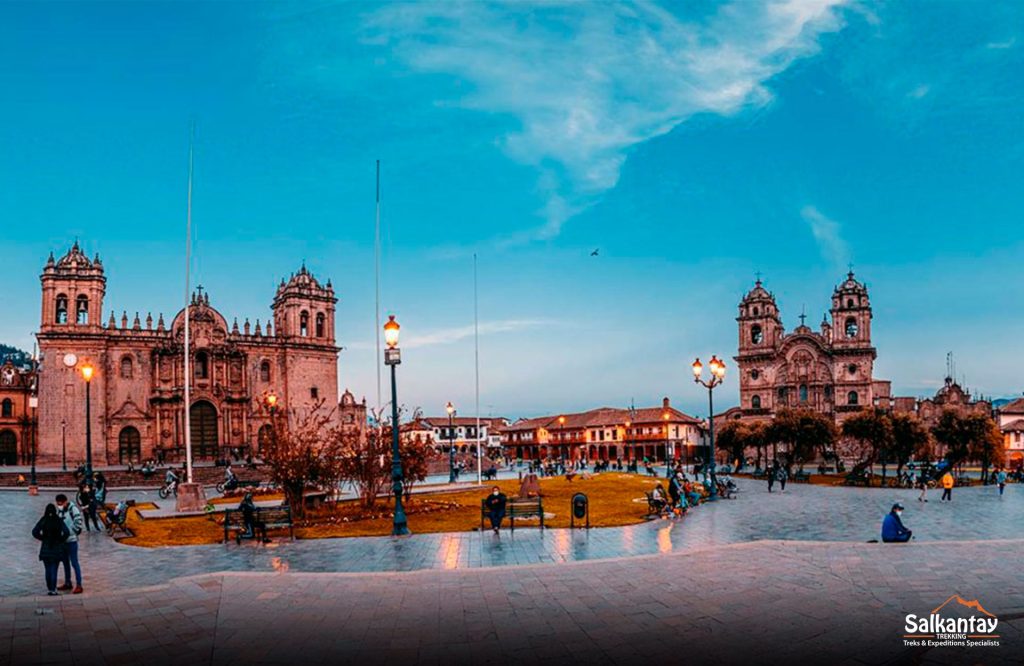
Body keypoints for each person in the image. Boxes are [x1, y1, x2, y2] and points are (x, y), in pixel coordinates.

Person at [32, 503, 70, 595]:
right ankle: (53, 589)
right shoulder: (58, 521)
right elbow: (66, 532)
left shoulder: (43, 520)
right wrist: (60, 539)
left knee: (47, 569)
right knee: (54, 568)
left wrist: (42, 538)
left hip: (45, 547)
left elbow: (34, 531)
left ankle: (49, 588)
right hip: (56, 547)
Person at [55, 493, 84, 594]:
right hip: (63, 541)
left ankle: (79, 584)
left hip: (71, 540)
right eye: (58, 503)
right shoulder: (59, 510)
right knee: (65, 563)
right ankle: (68, 582)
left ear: (65, 501)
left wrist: (72, 532)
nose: (59, 505)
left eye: (61, 503)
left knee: (74, 563)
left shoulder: (73, 509)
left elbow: (78, 521)